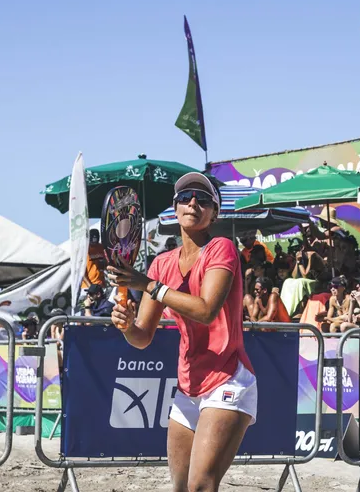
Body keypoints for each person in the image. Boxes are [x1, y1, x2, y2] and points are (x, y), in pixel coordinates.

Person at [106, 172, 256, 492]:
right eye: (185, 197)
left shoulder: (222, 248)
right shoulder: (161, 264)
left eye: (203, 199)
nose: (193, 203)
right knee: (181, 488)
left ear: (214, 213)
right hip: (188, 387)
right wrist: (126, 325)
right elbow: (142, 337)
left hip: (227, 379)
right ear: (174, 209)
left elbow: (205, 310)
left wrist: (147, 285)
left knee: (201, 485)